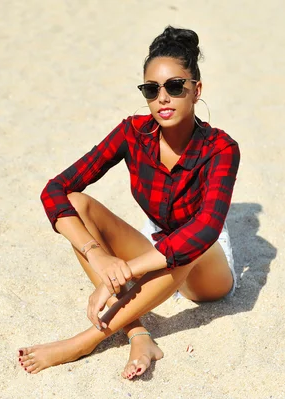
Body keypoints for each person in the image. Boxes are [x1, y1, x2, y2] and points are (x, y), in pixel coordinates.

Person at [17, 25, 240, 380]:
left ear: (196, 90)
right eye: (152, 90)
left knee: (185, 244)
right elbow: (55, 190)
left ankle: (85, 340)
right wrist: (99, 256)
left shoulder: (221, 148)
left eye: (175, 86)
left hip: (204, 271)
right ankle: (139, 334)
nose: (163, 98)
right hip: (154, 248)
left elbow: (205, 228)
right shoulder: (132, 133)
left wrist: (120, 276)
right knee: (77, 203)